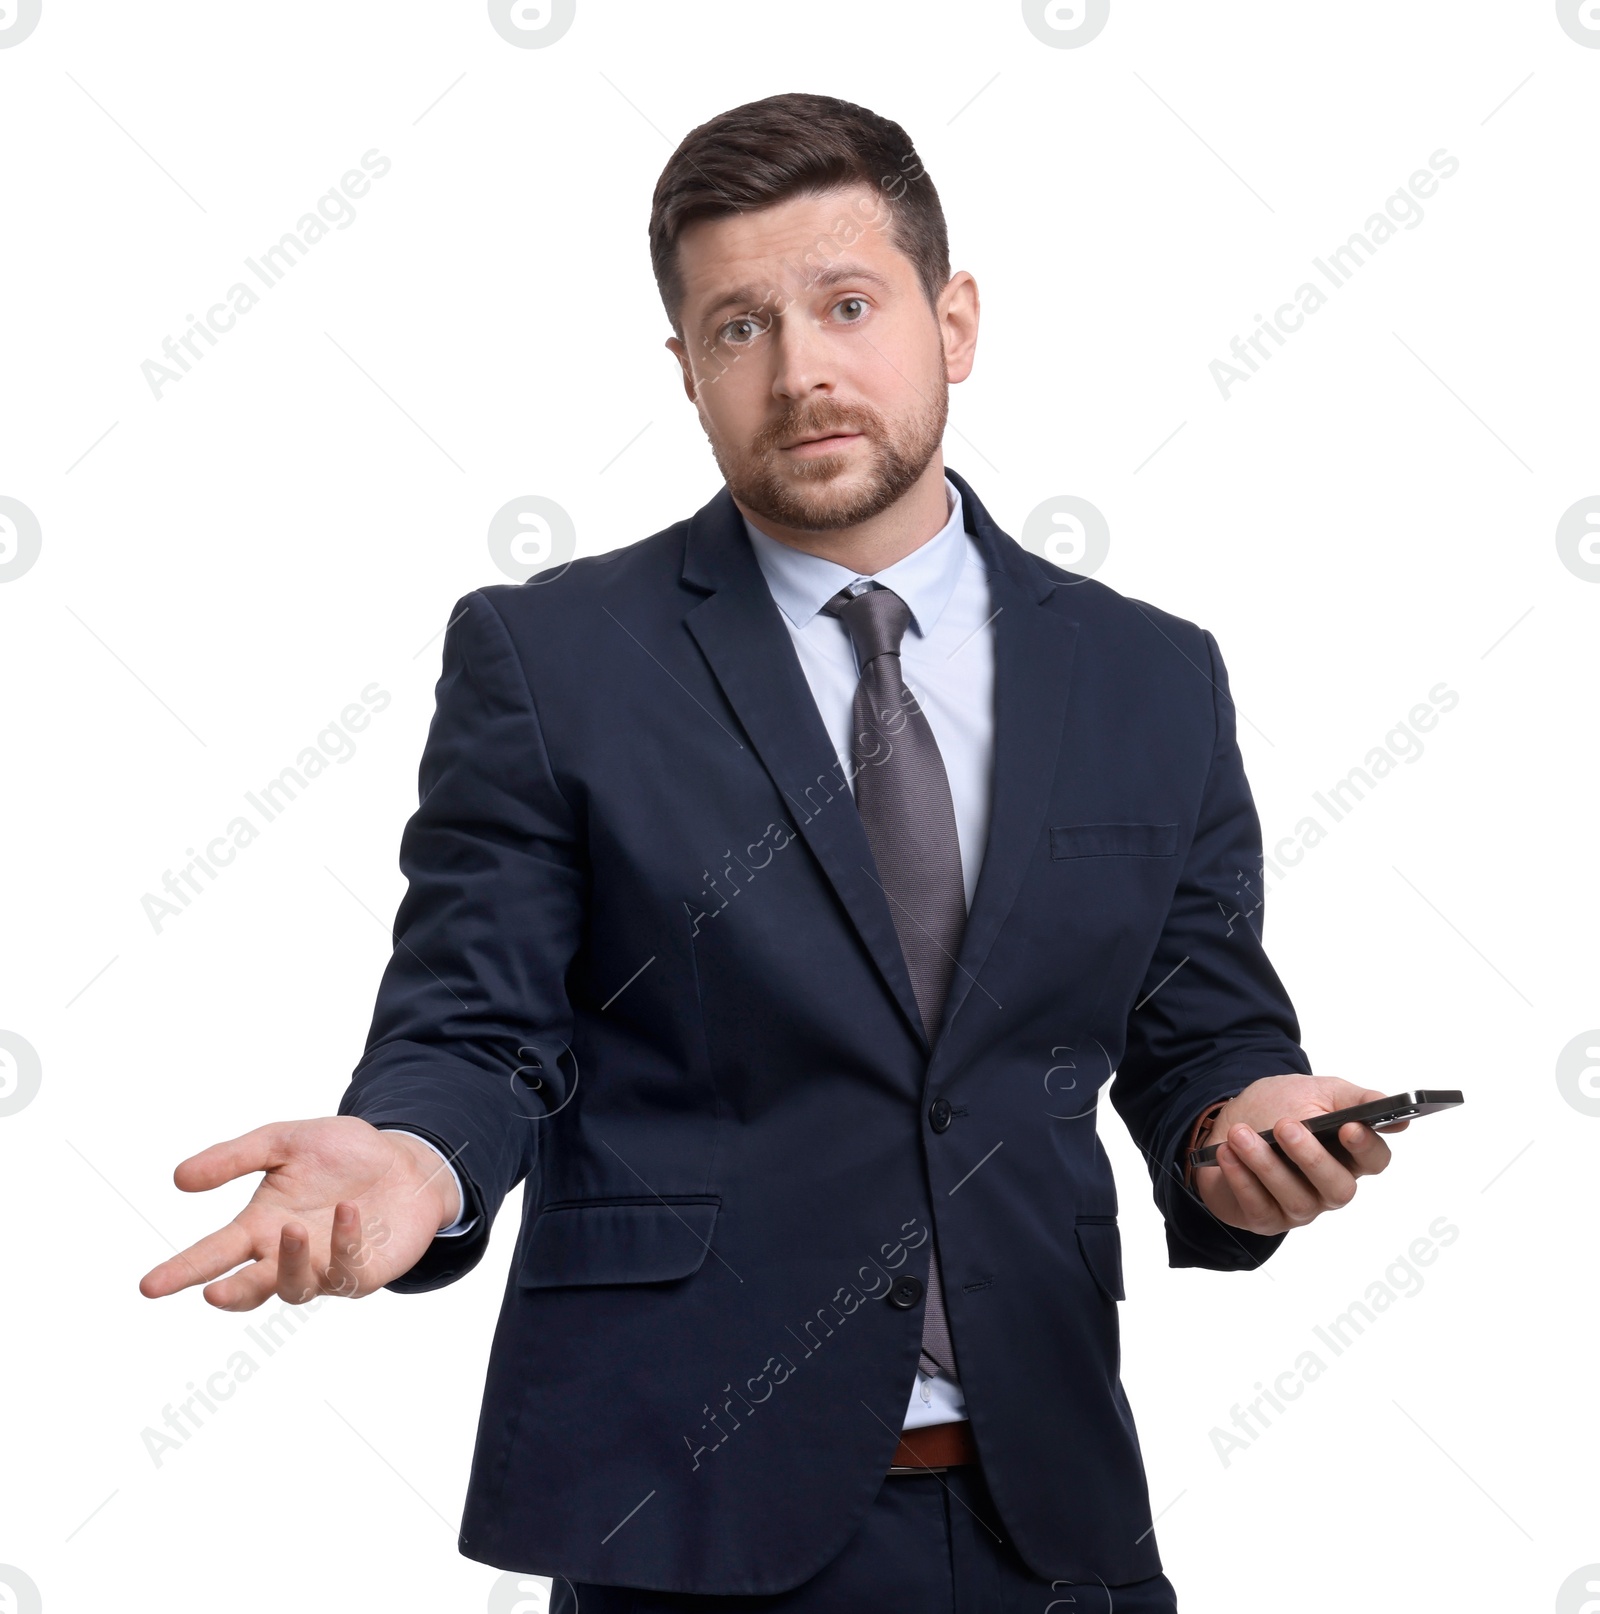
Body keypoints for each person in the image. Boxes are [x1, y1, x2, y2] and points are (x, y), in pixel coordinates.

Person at [140, 93, 1406, 1612]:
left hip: (1057, 1516)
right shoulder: (556, 660)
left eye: (848, 305)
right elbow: (477, 1026)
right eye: (738, 328)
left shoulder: (1153, 674)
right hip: (690, 1517)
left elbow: (1204, 1034)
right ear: (686, 373)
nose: (802, 369)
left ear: (956, 320)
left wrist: (1247, 1134)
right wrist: (414, 1158)